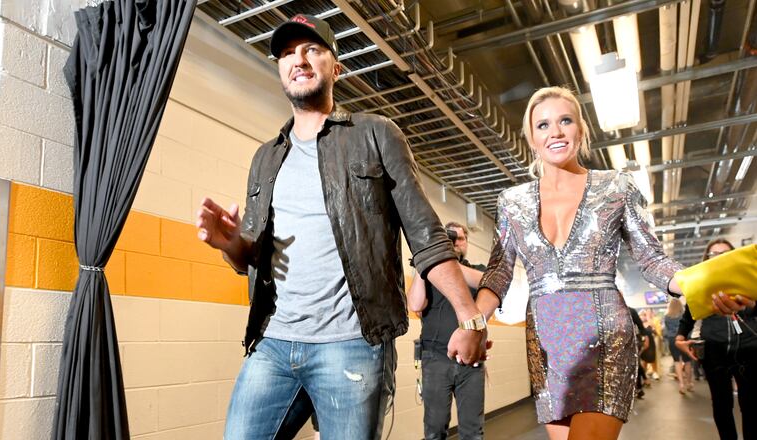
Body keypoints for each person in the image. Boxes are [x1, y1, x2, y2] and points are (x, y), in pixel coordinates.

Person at [195, 14, 487, 439]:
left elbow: (425, 233)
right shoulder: (266, 157)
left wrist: (470, 318)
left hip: (351, 344)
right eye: (288, 53)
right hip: (273, 344)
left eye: (312, 49)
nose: (299, 60)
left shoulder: (375, 134)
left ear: (337, 67)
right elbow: (252, 261)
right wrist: (231, 245)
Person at [471, 86, 750, 440]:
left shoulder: (616, 186)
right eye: (543, 125)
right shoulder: (511, 201)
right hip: (545, 341)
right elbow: (498, 271)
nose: (555, 132)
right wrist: (472, 321)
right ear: (530, 137)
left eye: (565, 121)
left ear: (581, 130)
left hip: (604, 334)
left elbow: (651, 259)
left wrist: (703, 284)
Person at [407, 222, 487, 440]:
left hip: (470, 360)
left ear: (467, 243)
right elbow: (415, 305)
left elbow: (486, 283)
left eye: (460, 239)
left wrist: (446, 263)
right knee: (435, 429)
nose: (456, 243)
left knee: (473, 430)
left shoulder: (477, 270)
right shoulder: (431, 274)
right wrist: (423, 266)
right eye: (450, 238)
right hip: (434, 358)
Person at [675, 239, 757, 440]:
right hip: (714, 352)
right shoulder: (702, 285)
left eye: (725, 253)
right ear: (707, 260)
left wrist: (751, 305)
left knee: (751, 405)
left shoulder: (748, 282)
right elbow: (689, 314)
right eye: (714, 254)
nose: (719, 257)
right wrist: (679, 339)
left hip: (749, 351)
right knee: (722, 405)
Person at [663, 297, 692, 393]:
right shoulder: (683, 315)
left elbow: (666, 330)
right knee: (687, 361)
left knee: (677, 362)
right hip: (683, 338)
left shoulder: (667, 316)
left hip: (672, 340)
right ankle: (689, 383)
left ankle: (681, 384)